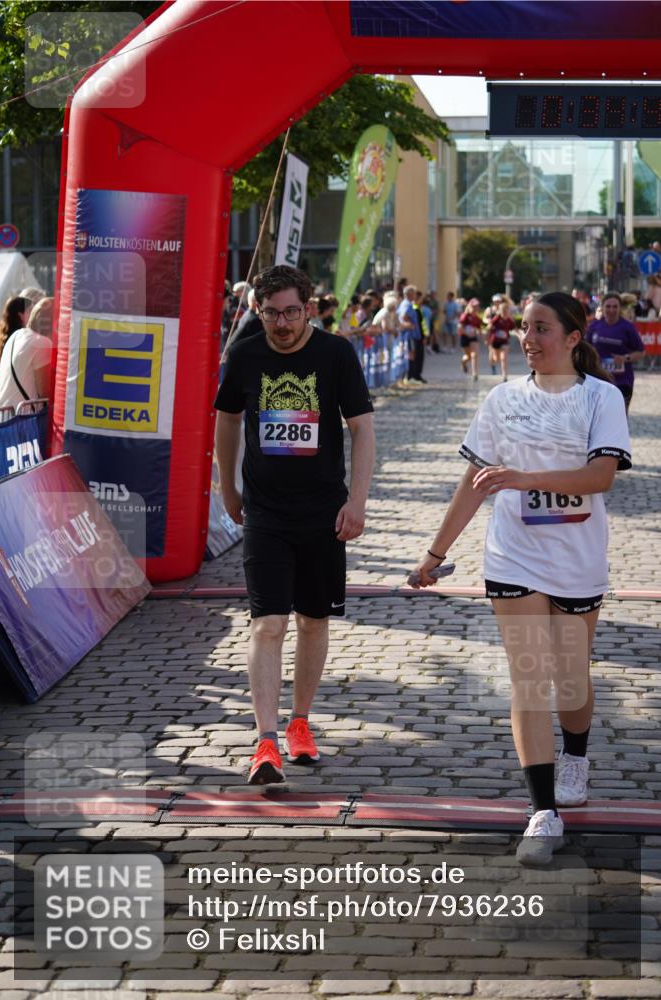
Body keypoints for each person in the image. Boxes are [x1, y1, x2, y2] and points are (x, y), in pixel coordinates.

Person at [411, 292, 631, 865]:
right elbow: (474, 483)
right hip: (514, 555)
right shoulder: (502, 398)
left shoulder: (600, 397)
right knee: (530, 676)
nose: (528, 339)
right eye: (522, 329)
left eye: (542, 329)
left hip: (577, 557)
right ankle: (542, 811)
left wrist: (521, 476)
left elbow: (601, 476)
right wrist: (436, 552)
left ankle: (575, 755)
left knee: (571, 680)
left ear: (574, 338)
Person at [214, 265, 375, 785]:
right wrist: (227, 487)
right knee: (268, 623)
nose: (280, 323)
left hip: (324, 510)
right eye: (270, 313)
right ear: (258, 310)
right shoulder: (244, 354)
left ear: (309, 307)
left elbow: (363, 431)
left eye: (290, 312)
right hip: (265, 511)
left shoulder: (335, 354)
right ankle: (264, 740)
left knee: (312, 621)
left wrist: (357, 501)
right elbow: (228, 418)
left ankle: (300, 722)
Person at [585, 291, 646, 413]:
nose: (611, 310)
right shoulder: (594, 326)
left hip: (623, 380)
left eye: (615, 307)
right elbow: (586, 349)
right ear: (602, 307)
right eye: (608, 306)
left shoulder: (627, 327)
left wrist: (624, 358)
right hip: (599, 379)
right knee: (599, 416)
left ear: (620, 308)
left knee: (620, 415)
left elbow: (641, 352)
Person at [0, 296, 53, 409]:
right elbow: (44, 392)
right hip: (22, 420)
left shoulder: (17, 335)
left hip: (0, 417)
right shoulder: (42, 343)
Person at [0, 295, 32, 379]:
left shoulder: (5, 337)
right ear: (20, 315)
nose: (33, 314)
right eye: (30, 311)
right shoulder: (21, 339)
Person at [397, 284, 425, 383]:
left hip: (412, 335)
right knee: (411, 355)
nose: (415, 295)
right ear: (410, 294)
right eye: (414, 293)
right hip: (410, 335)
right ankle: (409, 377)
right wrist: (410, 324)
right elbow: (404, 316)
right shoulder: (407, 304)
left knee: (412, 355)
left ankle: (411, 376)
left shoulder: (408, 303)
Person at [487, 297, 516, 381]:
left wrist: (521, 336)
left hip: (504, 341)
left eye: (506, 311)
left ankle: (504, 375)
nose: (505, 313)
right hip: (494, 341)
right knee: (496, 359)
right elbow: (488, 328)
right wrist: (486, 339)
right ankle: (493, 364)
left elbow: (515, 329)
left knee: (504, 358)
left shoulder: (509, 320)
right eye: (503, 311)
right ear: (500, 311)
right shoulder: (496, 318)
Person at [458, 298, 483, 380]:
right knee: (467, 356)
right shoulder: (465, 316)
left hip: (473, 338)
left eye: (477, 306)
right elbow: (460, 328)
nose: (475, 308)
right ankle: (463, 363)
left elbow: (479, 329)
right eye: (473, 306)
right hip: (464, 337)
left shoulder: (477, 318)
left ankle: (475, 374)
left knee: (474, 355)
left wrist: (479, 333)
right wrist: (467, 333)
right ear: (469, 306)